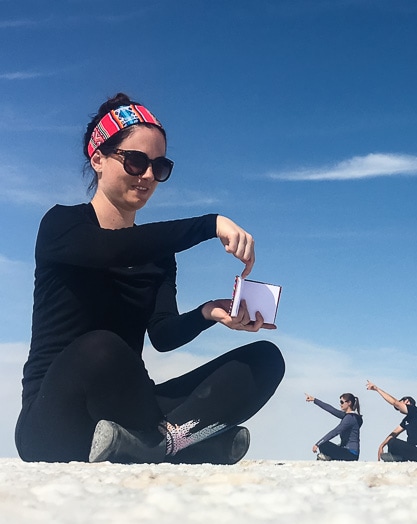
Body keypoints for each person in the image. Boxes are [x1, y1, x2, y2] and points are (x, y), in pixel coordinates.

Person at [14, 93, 285, 464]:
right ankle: (188, 443)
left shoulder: (158, 256)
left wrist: (208, 313)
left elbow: (162, 334)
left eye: (159, 167)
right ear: (98, 159)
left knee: (265, 360)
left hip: (133, 407)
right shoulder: (62, 225)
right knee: (101, 348)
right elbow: (113, 250)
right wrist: (209, 224)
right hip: (54, 420)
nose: (147, 176)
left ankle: (157, 444)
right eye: (136, 161)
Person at [366, 380, 417, 462]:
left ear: (407, 401)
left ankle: (399, 458)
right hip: (414, 451)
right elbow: (395, 432)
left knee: (392, 442)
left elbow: (395, 402)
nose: (399, 410)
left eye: (399, 407)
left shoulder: (416, 411)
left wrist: (377, 389)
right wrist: (382, 445)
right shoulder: (408, 419)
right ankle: (397, 457)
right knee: (392, 441)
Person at [305, 393, 362, 461]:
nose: (340, 404)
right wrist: (314, 400)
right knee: (324, 446)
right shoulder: (350, 416)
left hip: (351, 454)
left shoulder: (350, 418)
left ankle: (328, 457)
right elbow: (331, 409)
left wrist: (318, 444)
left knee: (324, 445)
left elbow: (335, 431)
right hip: (347, 451)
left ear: (349, 403)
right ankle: (327, 457)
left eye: (342, 402)